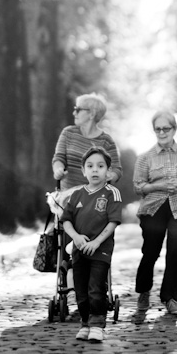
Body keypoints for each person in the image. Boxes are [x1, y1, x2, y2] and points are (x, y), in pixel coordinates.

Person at [133, 110, 177, 316]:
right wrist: (159, 186)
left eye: (166, 128)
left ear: (174, 129)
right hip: (153, 208)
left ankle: (171, 298)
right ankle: (143, 291)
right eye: (158, 129)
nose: (162, 132)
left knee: (176, 252)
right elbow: (137, 186)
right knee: (151, 252)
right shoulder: (145, 158)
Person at [60, 146, 122, 342]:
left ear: (108, 172)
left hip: (100, 250)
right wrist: (76, 238)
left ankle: (97, 325)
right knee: (81, 290)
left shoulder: (112, 193)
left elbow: (113, 222)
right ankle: (85, 322)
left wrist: (96, 242)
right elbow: (66, 220)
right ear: (83, 171)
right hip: (79, 250)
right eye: (90, 166)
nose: (95, 170)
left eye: (100, 166)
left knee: (96, 288)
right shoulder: (76, 195)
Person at [52, 92, 122, 190]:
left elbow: (116, 169)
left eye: (78, 110)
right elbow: (59, 158)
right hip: (66, 197)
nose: (74, 113)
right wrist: (58, 170)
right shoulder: (68, 133)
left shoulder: (106, 141)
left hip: (93, 199)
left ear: (92, 114)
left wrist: (111, 176)